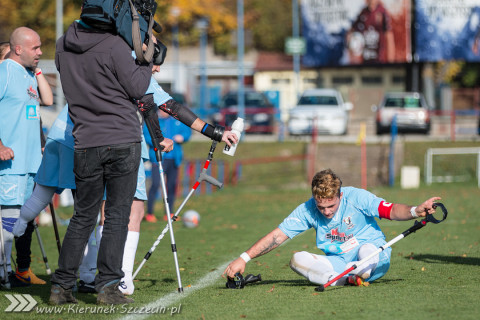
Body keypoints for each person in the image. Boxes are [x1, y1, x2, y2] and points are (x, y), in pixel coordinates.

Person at [224, 169, 441, 287]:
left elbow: (390, 210)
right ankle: (343, 278)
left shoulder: (357, 197)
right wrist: (244, 257)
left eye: (331, 206)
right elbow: (278, 236)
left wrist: (415, 211)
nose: (326, 212)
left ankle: (349, 276)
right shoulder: (308, 209)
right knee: (297, 259)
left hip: (372, 252)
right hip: (339, 261)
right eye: (321, 207)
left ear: (340, 195)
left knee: (365, 258)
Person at [0, 27, 53, 288]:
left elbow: (47, 100)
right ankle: (3, 274)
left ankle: (17, 271)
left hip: (31, 163)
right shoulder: (4, 72)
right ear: (18, 48)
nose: (41, 52)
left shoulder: (27, 75)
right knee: (8, 219)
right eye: (36, 48)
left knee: (23, 220)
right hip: (11, 164)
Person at [144, 108, 191, 223]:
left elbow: (187, 132)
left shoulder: (176, 120)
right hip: (158, 159)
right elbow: (147, 136)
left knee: (171, 186)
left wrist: (182, 137)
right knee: (155, 184)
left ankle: (169, 213)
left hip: (174, 159)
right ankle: (150, 213)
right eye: (161, 110)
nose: (164, 112)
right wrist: (160, 142)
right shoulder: (152, 120)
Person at [346, 0, 395, 64]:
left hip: (379, 61)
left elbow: (389, 38)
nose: (371, 1)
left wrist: (391, 62)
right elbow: (351, 32)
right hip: (366, 61)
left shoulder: (382, 13)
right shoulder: (363, 13)